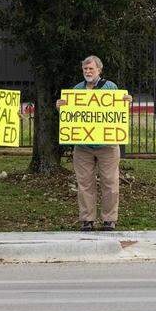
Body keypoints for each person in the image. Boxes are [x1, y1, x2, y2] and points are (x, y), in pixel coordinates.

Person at [56, 55, 130, 231]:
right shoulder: (76, 90)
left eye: (91, 69)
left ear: (99, 70)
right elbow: (72, 118)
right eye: (85, 69)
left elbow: (118, 112)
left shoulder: (111, 88)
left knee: (110, 182)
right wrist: (61, 108)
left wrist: (126, 102)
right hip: (83, 147)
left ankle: (109, 220)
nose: (88, 72)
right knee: (84, 183)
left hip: (108, 145)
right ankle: (87, 220)